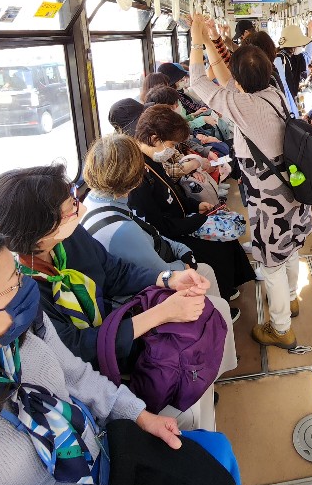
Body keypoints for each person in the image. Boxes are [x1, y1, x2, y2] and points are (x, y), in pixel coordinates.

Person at [0, 229, 240, 485]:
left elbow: (77, 377)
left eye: (21, 274)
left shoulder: (23, 333)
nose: (28, 289)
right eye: (13, 285)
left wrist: (139, 415)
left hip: (103, 454)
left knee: (216, 463)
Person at [0, 165, 222, 430]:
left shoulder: (68, 239)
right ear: (39, 233)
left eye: (74, 200)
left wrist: (167, 278)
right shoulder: (20, 294)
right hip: (94, 368)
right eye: (70, 209)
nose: (81, 210)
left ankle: (195, 384)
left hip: (112, 329)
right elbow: (78, 349)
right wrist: (162, 313)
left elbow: (113, 270)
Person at [190, 14, 312, 350]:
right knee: (291, 247)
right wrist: (212, 40)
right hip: (292, 189)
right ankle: (291, 298)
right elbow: (226, 74)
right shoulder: (273, 92)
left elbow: (198, 80)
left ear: (239, 81)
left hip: (268, 198)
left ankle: (281, 328)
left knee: (271, 263)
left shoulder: (242, 105)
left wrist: (196, 38)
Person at [81, 133, 238, 369]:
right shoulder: (121, 230)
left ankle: (217, 343)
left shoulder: (97, 202)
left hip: (145, 270)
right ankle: (213, 359)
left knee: (205, 270)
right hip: (137, 301)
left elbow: (151, 232)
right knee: (212, 289)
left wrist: (182, 250)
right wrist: (185, 262)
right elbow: (160, 272)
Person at [127, 106, 256, 306]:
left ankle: (229, 286)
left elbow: (172, 193)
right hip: (168, 235)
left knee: (225, 236)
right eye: (171, 145)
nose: (172, 150)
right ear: (154, 139)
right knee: (216, 247)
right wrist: (198, 221)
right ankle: (218, 301)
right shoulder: (139, 178)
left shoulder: (153, 160)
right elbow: (159, 226)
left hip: (178, 220)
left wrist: (195, 207)